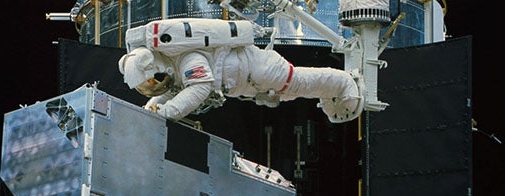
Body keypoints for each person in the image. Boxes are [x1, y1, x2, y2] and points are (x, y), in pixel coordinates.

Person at [118, 45, 363, 122]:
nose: (155, 85)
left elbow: (200, 88)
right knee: (293, 92)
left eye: (152, 80)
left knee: (297, 83)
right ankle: (332, 92)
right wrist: (147, 112)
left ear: (157, 66)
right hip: (249, 81)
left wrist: (165, 113)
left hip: (259, 69)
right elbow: (173, 93)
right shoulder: (176, 69)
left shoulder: (188, 59)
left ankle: (343, 82)